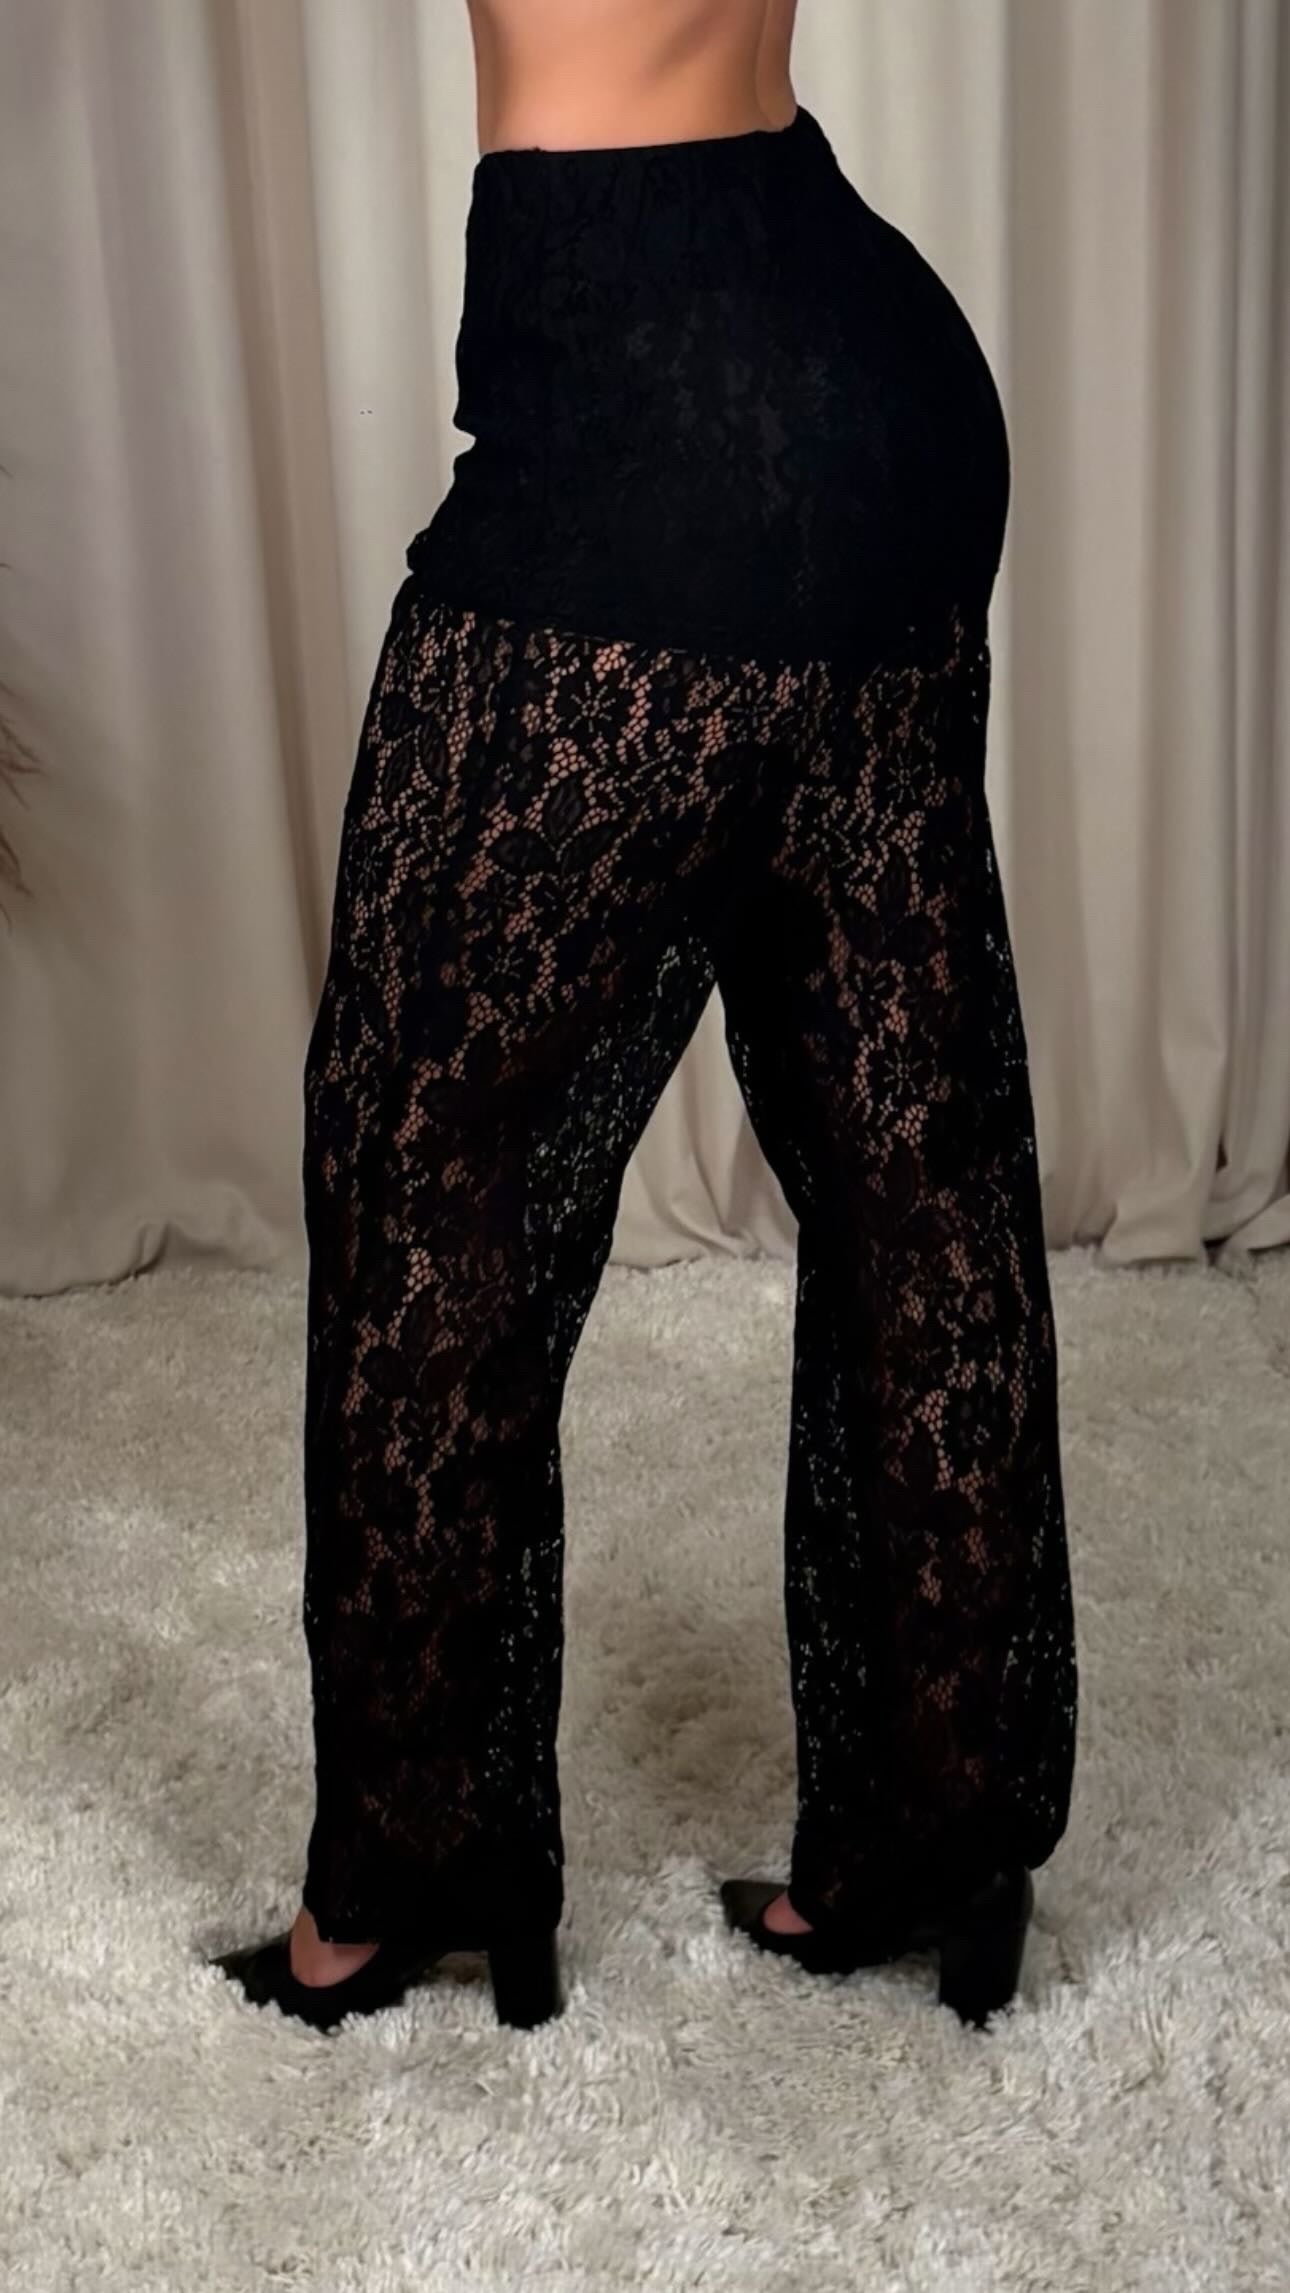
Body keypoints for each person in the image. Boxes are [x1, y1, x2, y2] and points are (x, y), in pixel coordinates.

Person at [212, 0, 1078, 2033]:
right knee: (912, 1160)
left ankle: (406, 1876)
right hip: (880, 386)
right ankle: (937, 1836)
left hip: (637, 403)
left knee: (425, 1166)